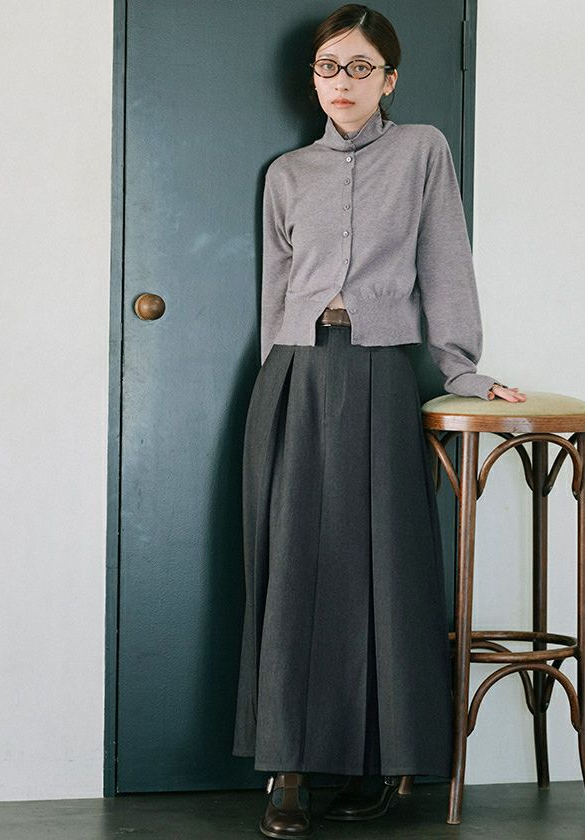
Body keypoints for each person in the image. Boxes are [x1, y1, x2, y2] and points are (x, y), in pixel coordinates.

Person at [231, 4, 527, 837]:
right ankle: (287, 769)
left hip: (383, 375)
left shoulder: (424, 151)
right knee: (290, 567)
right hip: (294, 379)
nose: (343, 82)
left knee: (385, 570)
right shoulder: (287, 173)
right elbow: (275, 294)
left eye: (360, 67)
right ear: (313, 78)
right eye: (329, 66)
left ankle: (385, 764)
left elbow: (446, 263)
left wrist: (463, 369)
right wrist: (277, 384)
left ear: (390, 79)